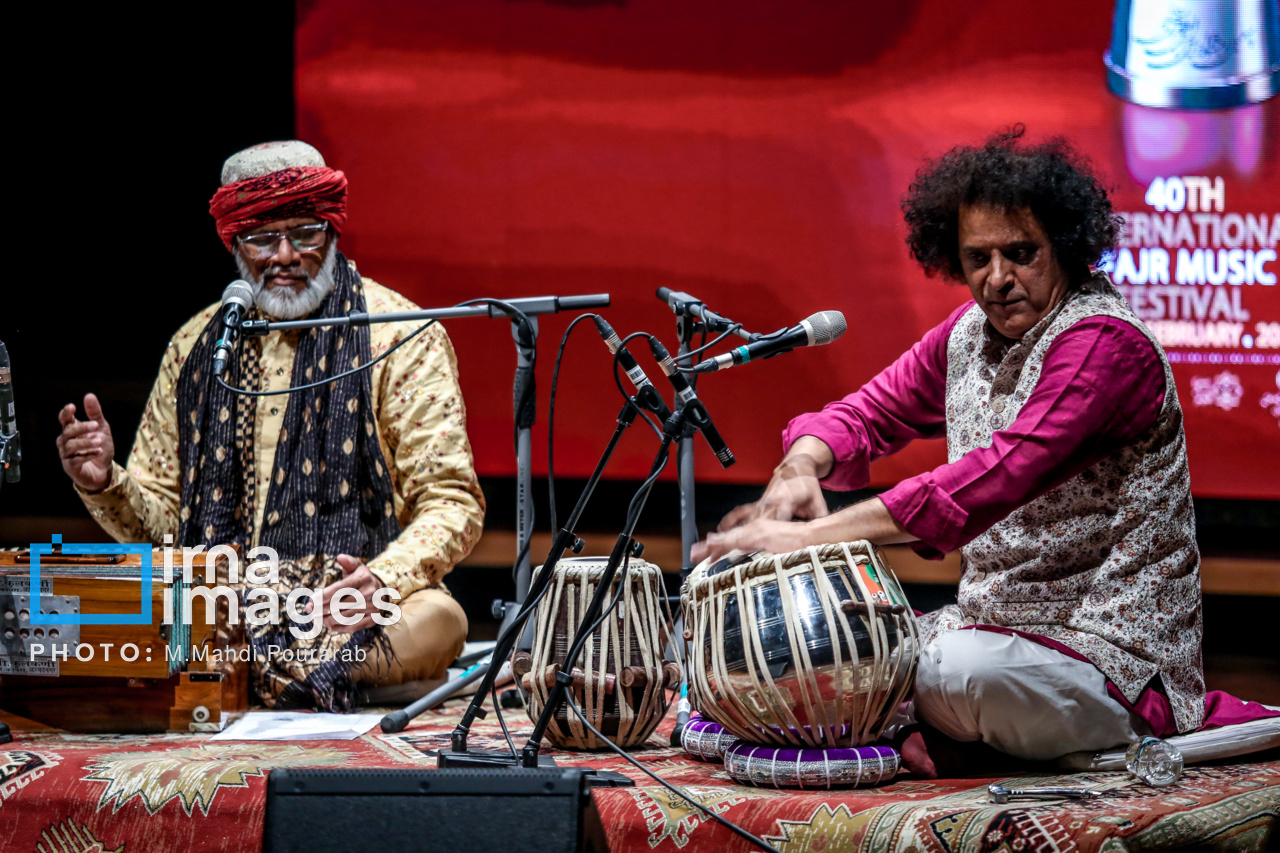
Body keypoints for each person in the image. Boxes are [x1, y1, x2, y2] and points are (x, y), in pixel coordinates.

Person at [694, 128, 1209, 763]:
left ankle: (979, 737)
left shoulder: (1106, 347)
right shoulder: (967, 333)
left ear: (1068, 249)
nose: (998, 279)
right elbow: (867, 411)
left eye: (1022, 253)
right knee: (822, 652)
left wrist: (807, 538)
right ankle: (964, 740)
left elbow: (993, 477)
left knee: (961, 675)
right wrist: (801, 464)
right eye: (977, 259)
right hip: (990, 629)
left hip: (1108, 654)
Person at [56, 140, 485, 710]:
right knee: (69, 605)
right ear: (235, 244)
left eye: (305, 233)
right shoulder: (196, 347)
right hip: (222, 601)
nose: (285, 255)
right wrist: (104, 482)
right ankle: (343, 682)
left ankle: (248, 670)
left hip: (343, 606)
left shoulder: (399, 335)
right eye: (263, 238)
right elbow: (162, 525)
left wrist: (381, 579)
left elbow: (452, 500)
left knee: (437, 619)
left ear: (331, 231)